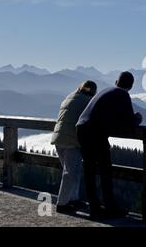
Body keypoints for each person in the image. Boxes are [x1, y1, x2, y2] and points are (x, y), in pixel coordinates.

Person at [76, 71, 142, 219]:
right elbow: (130, 121)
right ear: (130, 86)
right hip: (95, 133)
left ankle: (94, 208)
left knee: (90, 171)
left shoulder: (107, 91)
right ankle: (110, 208)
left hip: (82, 129)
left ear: (116, 82)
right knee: (105, 170)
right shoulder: (123, 95)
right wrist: (138, 118)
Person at [51, 80, 98, 213]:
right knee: (70, 173)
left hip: (59, 138)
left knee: (73, 172)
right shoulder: (88, 101)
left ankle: (73, 199)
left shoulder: (70, 96)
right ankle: (62, 203)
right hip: (72, 140)